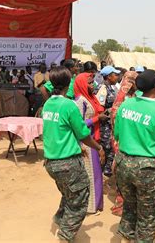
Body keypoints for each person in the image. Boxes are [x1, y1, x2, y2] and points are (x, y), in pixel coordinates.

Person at [42, 66, 105, 243]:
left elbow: (58, 132)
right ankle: (65, 236)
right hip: (67, 163)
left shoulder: (48, 104)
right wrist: (98, 148)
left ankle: (59, 220)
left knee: (69, 194)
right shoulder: (68, 105)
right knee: (80, 200)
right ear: (68, 83)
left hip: (51, 162)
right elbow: (83, 134)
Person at [114, 69, 155, 242]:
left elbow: (117, 134)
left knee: (130, 206)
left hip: (123, 163)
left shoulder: (126, 105)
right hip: (148, 168)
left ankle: (127, 238)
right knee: (147, 215)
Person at [73, 72, 107, 214]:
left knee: (96, 173)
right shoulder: (80, 101)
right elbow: (79, 124)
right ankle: (89, 206)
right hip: (86, 142)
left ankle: (96, 204)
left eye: (93, 82)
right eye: (89, 82)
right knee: (91, 174)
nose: (92, 85)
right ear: (81, 83)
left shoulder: (90, 98)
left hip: (93, 138)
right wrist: (96, 119)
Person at [109, 71, 138, 217]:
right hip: (122, 140)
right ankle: (121, 203)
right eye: (129, 80)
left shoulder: (136, 97)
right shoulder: (121, 99)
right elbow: (114, 119)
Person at [96, 66, 120, 177]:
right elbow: (100, 109)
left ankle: (107, 172)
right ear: (108, 76)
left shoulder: (112, 88)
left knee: (110, 148)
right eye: (115, 75)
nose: (117, 77)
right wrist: (111, 110)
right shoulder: (103, 89)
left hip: (110, 124)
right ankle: (103, 173)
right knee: (107, 148)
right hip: (104, 126)